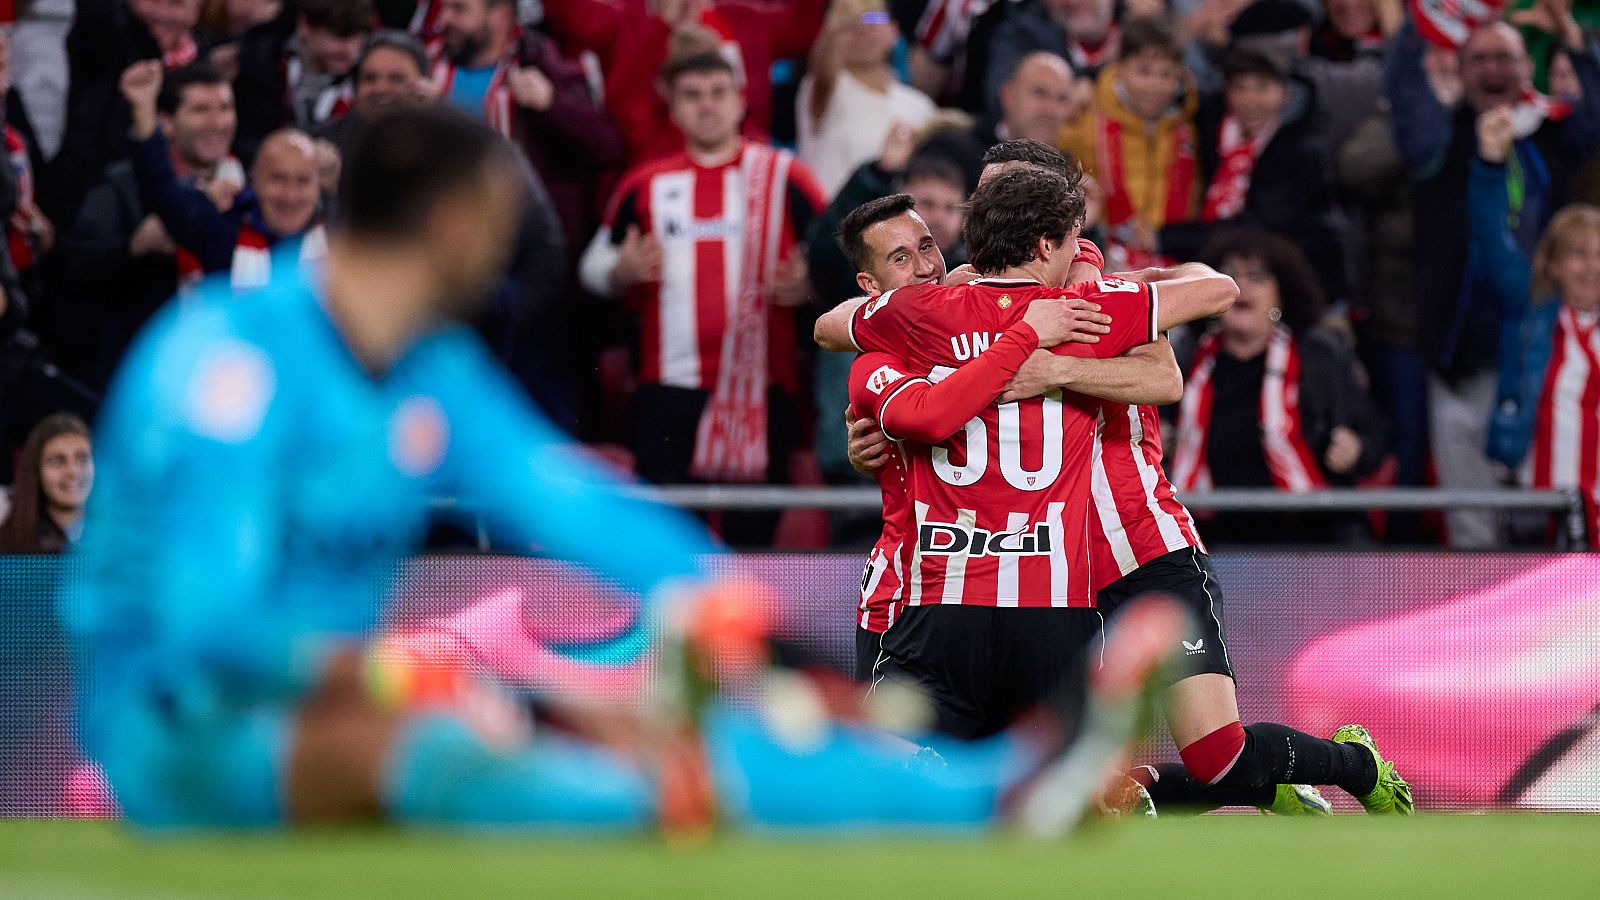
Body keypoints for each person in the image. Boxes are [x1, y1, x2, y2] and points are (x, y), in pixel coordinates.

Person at [62, 103, 1173, 832]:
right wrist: (423, 675)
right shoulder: (227, 364)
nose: (515, 242)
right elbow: (206, 624)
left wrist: (729, 609)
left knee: (685, 715)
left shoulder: (430, 366)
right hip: (176, 728)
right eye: (503, 219)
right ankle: (650, 795)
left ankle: (1000, 790)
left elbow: (571, 502)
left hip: (355, 690)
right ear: (450, 221)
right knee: (467, 742)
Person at [834, 138, 1414, 817]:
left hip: (1136, 538)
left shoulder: (1084, 293)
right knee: (1036, 779)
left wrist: (1056, 363)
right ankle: (1164, 790)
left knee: (1214, 753)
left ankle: (1343, 764)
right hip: (1045, 566)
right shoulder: (956, 304)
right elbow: (836, 330)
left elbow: (1168, 369)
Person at [813, 162, 1236, 738]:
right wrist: (1029, 336)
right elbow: (1213, 301)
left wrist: (1047, 354)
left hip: (984, 586)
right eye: (901, 258)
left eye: (928, 247)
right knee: (1046, 782)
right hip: (962, 586)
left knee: (943, 781)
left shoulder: (910, 320)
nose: (924, 267)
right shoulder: (1074, 309)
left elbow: (834, 334)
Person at [578, 51, 824, 545]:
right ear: (673, 108)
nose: (706, 106)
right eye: (692, 95)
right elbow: (591, 269)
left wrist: (813, 284)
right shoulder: (645, 182)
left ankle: (750, 625)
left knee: (752, 540)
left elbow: (843, 258)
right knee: (669, 539)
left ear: (740, 101)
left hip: (762, 388)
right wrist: (620, 271)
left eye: (717, 93)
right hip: (667, 389)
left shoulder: (783, 174)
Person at [1385, 6, 1600, 547]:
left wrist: (1574, 41)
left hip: (1545, 343)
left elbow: (1594, 117)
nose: (1491, 69)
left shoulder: (1550, 132)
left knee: (1544, 513)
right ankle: (1478, 629)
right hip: (1463, 353)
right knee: (1473, 521)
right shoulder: (1441, 136)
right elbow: (1406, 92)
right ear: (1459, 68)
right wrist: (1422, 23)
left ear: (1527, 66)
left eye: (1503, 56)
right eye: (1477, 58)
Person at [1168, 229, 1389, 544]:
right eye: (1228, 275)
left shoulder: (1318, 356)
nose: (1240, 286)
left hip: (1307, 537)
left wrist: (1355, 449)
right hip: (1206, 538)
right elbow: (1154, 435)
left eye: (1257, 276)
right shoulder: (1185, 357)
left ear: (1281, 294)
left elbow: (1374, 432)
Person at [53, 60, 243, 391]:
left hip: (222, 371)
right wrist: (132, 248)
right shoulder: (122, 187)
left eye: (225, 108)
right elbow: (69, 270)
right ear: (165, 123)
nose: (217, 123)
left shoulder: (252, 185)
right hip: (135, 372)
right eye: (200, 110)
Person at [1473, 104, 1600, 540]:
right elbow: (1492, 240)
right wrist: (1491, 164)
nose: (1592, 267)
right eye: (1579, 254)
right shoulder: (1532, 314)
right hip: (1537, 505)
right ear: (1555, 264)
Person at [121, 60, 325, 289]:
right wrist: (144, 110)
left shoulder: (344, 244)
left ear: (320, 186)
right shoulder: (223, 232)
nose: (290, 195)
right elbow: (164, 191)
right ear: (254, 181)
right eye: (277, 179)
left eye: (303, 181)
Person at [1058, 15, 1200, 270]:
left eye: (1166, 74)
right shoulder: (1086, 125)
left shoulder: (1191, 130)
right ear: (1120, 67)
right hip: (1099, 263)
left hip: (1174, 264)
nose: (1154, 85)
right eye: (1143, 71)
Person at [797, 0, 937, 198]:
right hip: (833, 218)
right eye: (850, 25)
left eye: (874, 18)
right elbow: (823, 66)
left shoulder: (920, 106)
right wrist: (840, 19)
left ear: (894, 31)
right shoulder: (821, 88)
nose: (863, 29)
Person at [232, 0, 371, 161]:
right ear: (304, 26)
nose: (350, 50)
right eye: (339, 36)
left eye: (357, 37)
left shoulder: (367, 76)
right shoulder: (259, 66)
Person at [0, 413, 91, 553]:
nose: (73, 471)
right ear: (36, 470)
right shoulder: (6, 510)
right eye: (57, 461)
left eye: (82, 458)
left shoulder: (119, 530)